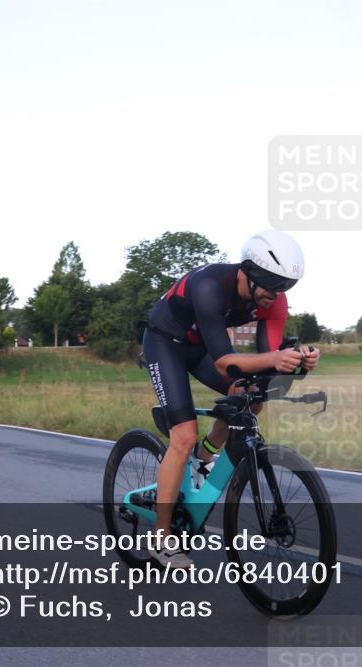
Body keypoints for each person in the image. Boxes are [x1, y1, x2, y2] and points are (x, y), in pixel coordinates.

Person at [142, 230, 320, 568]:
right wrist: (275, 359)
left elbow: (268, 360)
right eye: (271, 285)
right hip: (165, 344)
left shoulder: (274, 300)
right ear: (250, 273)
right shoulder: (210, 287)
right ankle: (161, 540)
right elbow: (225, 361)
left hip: (200, 349)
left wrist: (299, 363)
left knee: (251, 395)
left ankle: (203, 459)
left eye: (285, 287)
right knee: (183, 435)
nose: (277, 295)